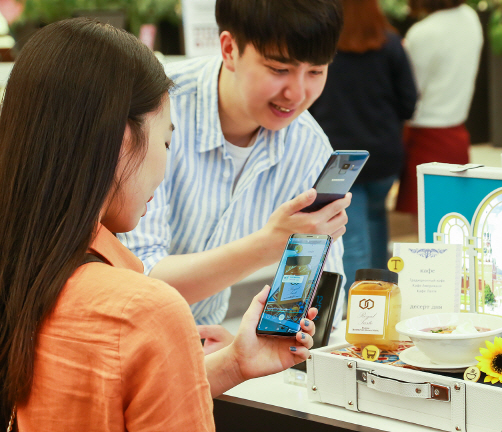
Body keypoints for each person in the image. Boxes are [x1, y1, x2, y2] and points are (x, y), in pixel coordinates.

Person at [0, 18, 317, 431]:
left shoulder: (27, 273)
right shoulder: (145, 310)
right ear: (122, 139)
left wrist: (234, 363)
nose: (166, 169)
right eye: (167, 141)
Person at [121, 0, 349, 349]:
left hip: (200, 349)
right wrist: (268, 245)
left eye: (316, 72)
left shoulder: (308, 145)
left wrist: (254, 344)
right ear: (229, 49)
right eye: (278, 69)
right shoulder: (157, 109)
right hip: (118, 344)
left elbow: (321, 293)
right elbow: (136, 280)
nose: (298, 93)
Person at [309, 0, 417, 292]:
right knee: (377, 220)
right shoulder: (392, 44)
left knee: (351, 238)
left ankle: (358, 313)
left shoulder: (321, 49)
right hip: (384, 155)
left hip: (340, 159)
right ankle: (382, 299)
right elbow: (408, 103)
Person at [395, 0, 483, 216]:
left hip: (425, 135)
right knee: (455, 218)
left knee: (428, 224)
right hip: (456, 130)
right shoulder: (469, 17)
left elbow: (410, 90)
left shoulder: (423, 32)